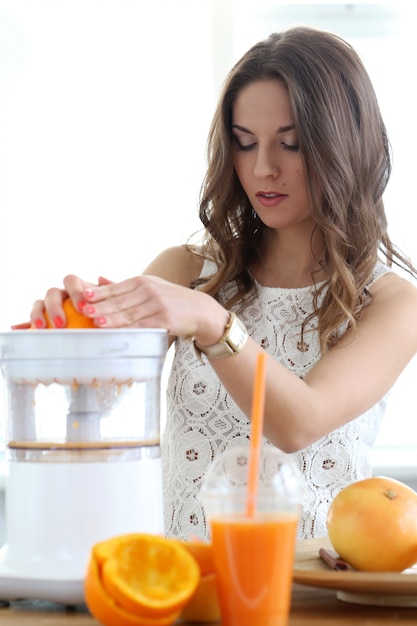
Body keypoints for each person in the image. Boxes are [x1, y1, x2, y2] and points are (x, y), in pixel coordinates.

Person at [23, 26, 417, 540]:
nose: (262, 168)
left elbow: (300, 423)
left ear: (343, 145)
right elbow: (96, 402)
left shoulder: (391, 303)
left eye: (291, 144)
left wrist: (213, 323)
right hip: (183, 591)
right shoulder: (185, 272)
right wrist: (69, 337)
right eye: (244, 142)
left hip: (309, 600)